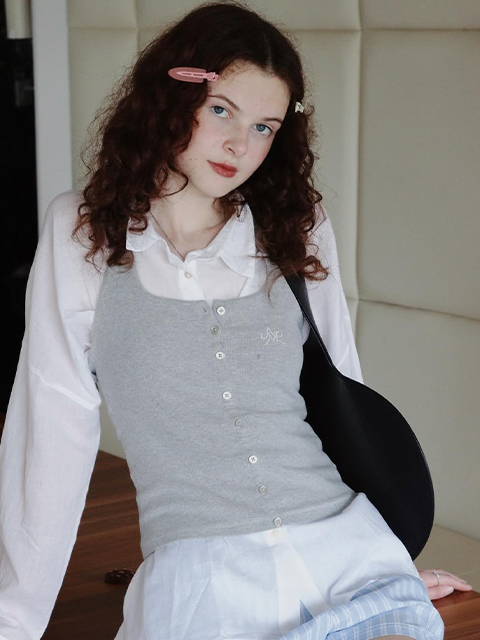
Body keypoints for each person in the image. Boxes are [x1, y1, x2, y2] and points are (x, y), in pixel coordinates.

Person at [0, 2, 472, 639]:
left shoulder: (296, 225)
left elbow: (342, 395)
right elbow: (51, 428)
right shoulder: (82, 232)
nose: (239, 145)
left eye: (264, 127)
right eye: (221, 110)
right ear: (169, 97)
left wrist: (394, 558)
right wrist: (14, 619)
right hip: (204, 582)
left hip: (350, 555)